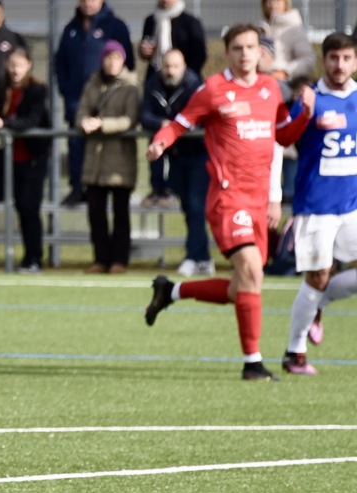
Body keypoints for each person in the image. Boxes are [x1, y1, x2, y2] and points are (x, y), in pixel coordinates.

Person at [144, 22, 314, 381]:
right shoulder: (214, 90)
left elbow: (283, 136)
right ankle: (253, 363)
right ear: (228, 52)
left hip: (257, 200)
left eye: (251, 47)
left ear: (260, 52)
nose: (245, 54)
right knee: (252, 269)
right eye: (237, 48)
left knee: (244, 288)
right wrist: (161, 141)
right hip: (227, 196)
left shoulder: (271, 89)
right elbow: (178, 123)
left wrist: (304, 114)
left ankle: (170, 291)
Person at [279, 33, 357, 376]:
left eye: (346, 58)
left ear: (354, 61)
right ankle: (294, 351)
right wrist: (304, 113)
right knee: (318, 275)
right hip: (316, 206)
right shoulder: (311, 97)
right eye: (333, 58)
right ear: (323, 60)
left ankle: (319, 304)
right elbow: (283, 137)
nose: (339, 65)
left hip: (352, 205)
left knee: (321, 286)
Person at [139, 48, 210, 277]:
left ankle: (192, 257)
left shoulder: (195, 85)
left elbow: (198, 118)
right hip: (174, 155)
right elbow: (144, 115)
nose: (170, 71)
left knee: (196, 206)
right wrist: (164, 124)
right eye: (167, 66)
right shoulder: (154, 83)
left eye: (175, 66)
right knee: (189, 208)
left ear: (184, 66)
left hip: (198, 154)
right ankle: (204, 258)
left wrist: (174, 127)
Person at [55, 0, 133, 207]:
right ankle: (77, 188)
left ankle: (107, 190)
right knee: (76, 144)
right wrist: (68, 91)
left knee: (109, 148)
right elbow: (60, 63)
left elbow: (129, 63)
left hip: (110, 103)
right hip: (77, 105)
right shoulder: (71, 29)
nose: (88, 3)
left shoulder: (115, 26)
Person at [0, 47, 51, 273]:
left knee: (29, 208)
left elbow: (31, 120)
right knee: (14, 205)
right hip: (8, 159)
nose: (15, 70)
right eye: (12, 64)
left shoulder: (37, 90)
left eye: (19, 65)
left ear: (28, 65)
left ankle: (34, 258)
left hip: (32, 159)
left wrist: (4, 123)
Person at [77, 39, 139, 275]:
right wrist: (84, 121)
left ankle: (119, 261)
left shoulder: (131, 86)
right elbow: (81, 111)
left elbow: (129, 119)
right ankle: (100, 259)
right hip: (94, 160)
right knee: (96, 214)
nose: (112, 62)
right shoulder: (91, 84)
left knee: (121, 214)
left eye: (116, 58)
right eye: (107, 57)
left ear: (123, 60)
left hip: (120, 161)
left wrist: (102, 123)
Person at [137, 0, 206, 207]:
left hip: (183, 93)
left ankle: (173, 189)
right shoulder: (151, 20)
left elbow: (199, 55)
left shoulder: (191, 22)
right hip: (161, 92)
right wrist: (145, 52)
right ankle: (159, 189)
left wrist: (180, 75)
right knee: (157, 143)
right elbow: (144, 114)